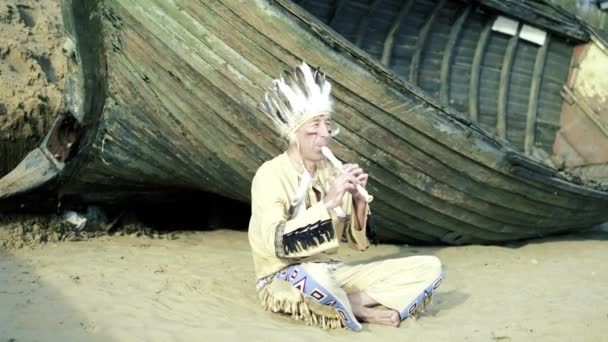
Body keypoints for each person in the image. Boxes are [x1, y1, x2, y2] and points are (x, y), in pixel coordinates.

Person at [248, 61, 443, 331]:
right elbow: (275, 243)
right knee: (313, 277)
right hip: (283, 274)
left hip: (332, 270)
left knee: (428, 267)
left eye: (327, 125)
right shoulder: (269, 174)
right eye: (314, 127)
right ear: (294, 134)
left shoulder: (329, 172)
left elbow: (358, 244)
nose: (325, 134)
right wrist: (328, 201)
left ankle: (350, 302)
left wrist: (360, 201)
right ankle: (356, 306)